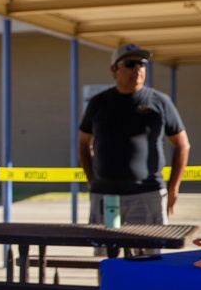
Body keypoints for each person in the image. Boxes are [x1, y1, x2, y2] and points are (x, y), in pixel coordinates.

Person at [78, 43, 190, 249]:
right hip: (105, 195)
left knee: (149, 261)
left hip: (147, 195)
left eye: (142, 63)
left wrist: (174, 187)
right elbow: (84, 142)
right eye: (130, 63)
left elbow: (182, 145)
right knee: (107, 261)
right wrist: (91, 179)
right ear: (114, 69)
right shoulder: (98, 103)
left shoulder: (160, 102)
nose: (137, 69)